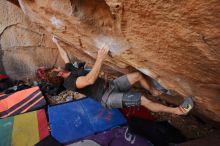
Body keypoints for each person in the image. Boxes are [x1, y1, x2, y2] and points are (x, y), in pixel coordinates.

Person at [50, 36, 193, 115]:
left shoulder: (68, 69)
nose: (57, 67)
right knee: (143, 100)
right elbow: (90, 79)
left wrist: (57, 43)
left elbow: (65, 56)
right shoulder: (70, 82)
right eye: (56, 69)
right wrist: (100, 58)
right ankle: (178, 111)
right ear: (60, 74)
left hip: (111, 85)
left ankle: (154, 91)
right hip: (107, 98)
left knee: (137, 75)